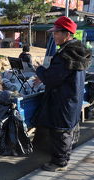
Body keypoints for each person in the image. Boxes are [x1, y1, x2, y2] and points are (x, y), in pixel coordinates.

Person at [34, 16, 92, 172]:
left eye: (57, 33)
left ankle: (59, 163)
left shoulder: (65, 56)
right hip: (72, 97)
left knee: (61, 131)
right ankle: (62, 157)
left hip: (63, 100)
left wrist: (38, 69)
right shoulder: (77, 51)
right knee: (67, 129)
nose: (54, 36)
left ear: (67, 34)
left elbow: (51, 79)